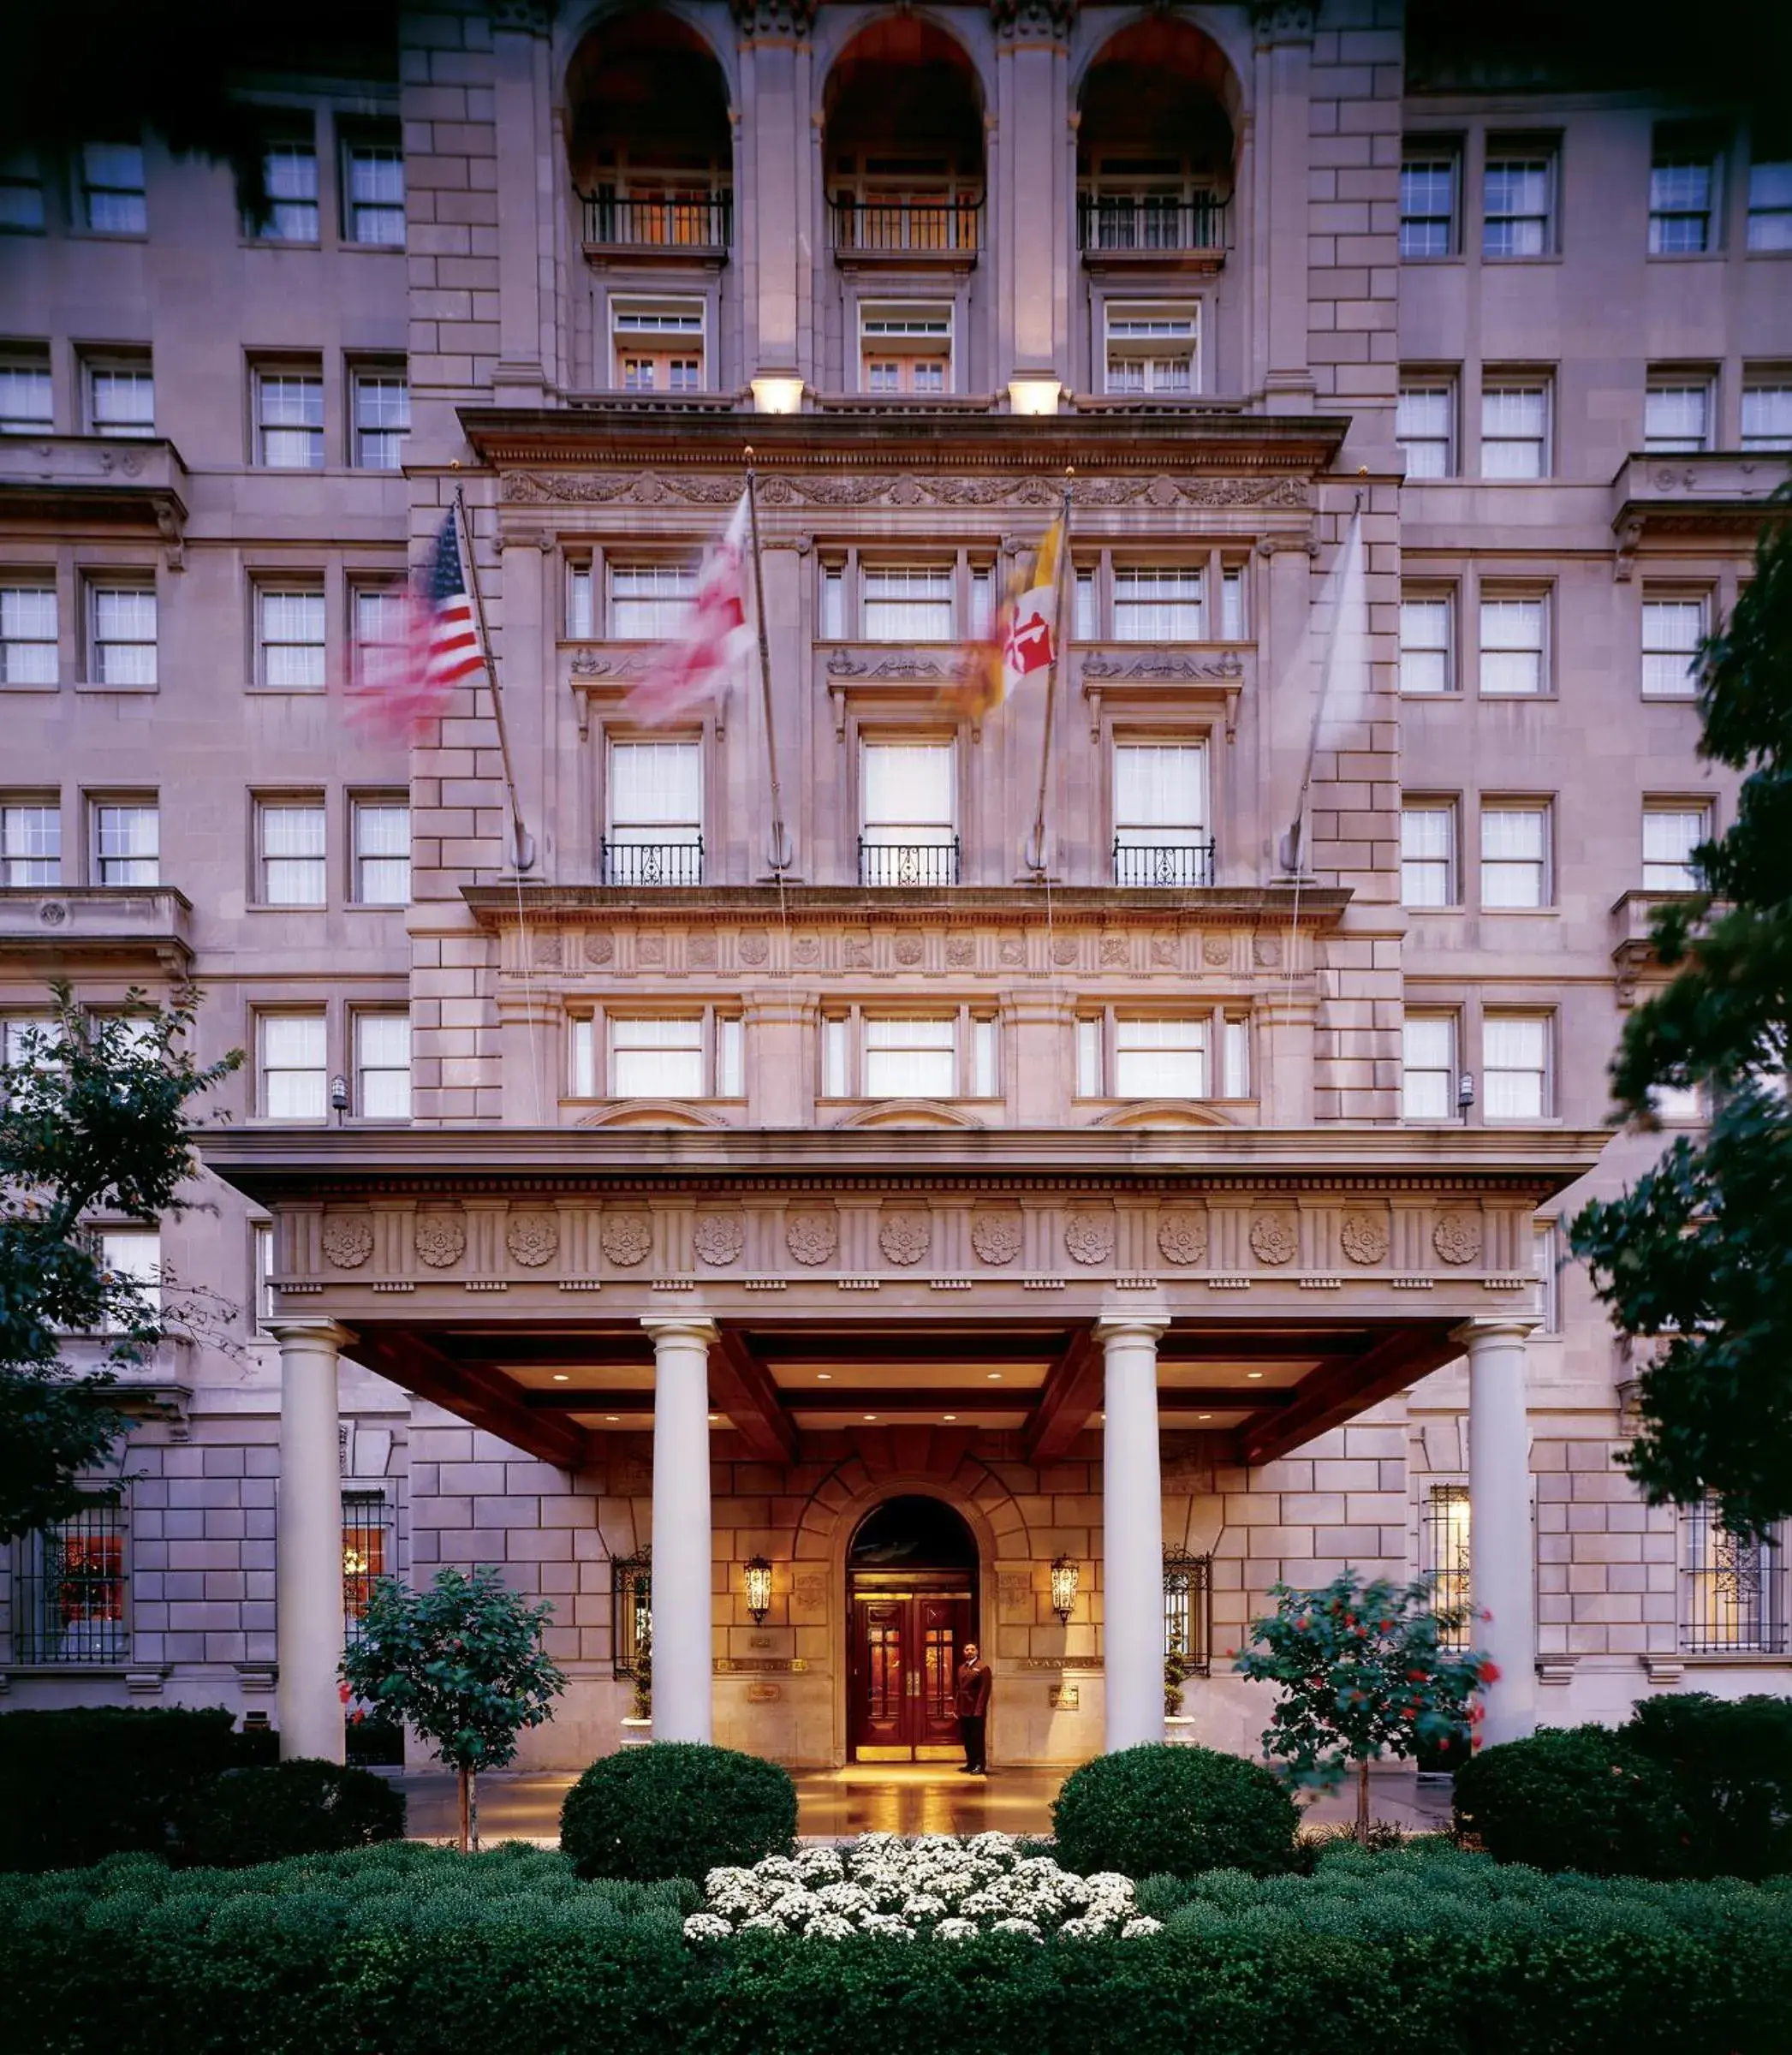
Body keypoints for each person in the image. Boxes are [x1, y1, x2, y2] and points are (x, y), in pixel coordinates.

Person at [955, 1641, 992, 1774]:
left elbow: (984, 1691)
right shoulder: (961, 1668)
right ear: (964, 1652)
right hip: (964, 1709)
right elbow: (959, 1690)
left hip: (976, 1710)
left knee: (977, 1738)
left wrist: (979, 1710)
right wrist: (956, 1708)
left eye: (972, 1649)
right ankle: (970, 1763)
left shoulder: (983, 1668)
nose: (969, 1652)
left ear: (977, 1651)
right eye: (967, 1649)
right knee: (967, 1738)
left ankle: (979, 1765)